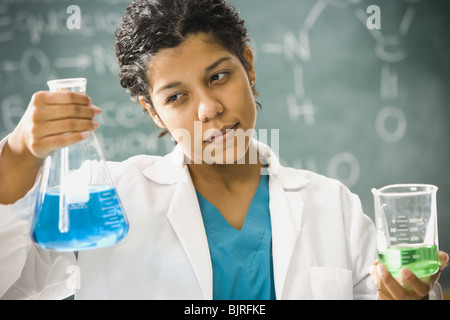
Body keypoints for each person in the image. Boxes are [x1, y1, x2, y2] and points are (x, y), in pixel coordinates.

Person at [0, 0, 447, 300]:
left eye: (218, 77)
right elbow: (12, 282)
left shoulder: (333, 206)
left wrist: (413, 295)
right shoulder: (106, 199)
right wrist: (19, 154)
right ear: (152, 111)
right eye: (176, 97)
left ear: (248, 67)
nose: (209, 109)